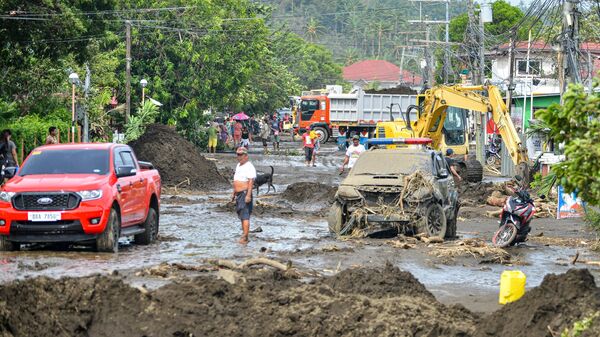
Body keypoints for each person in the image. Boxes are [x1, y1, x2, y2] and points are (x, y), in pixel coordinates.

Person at [231, 147, 256, 244]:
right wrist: (234, 193)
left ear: (246, 156)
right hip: (239, 194)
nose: (239, 156)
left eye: (241, 154)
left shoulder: (249, 166)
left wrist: (248, 195)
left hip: (245, 193)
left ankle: (245, 237)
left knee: (245, 215)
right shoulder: (238, 165)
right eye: (238, 154)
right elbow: (236, 180)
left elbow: (250, 182)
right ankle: (245, 235)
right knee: (241, 214)